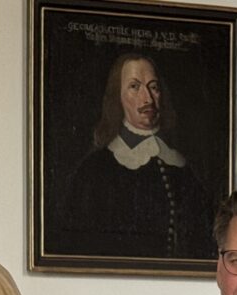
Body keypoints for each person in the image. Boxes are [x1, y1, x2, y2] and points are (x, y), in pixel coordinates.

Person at [55, 53, 216, 259]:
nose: (147, 98)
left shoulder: (184, 168)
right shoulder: (94, 171)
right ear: (118, 97)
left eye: (153, 87)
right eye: (135, 87)